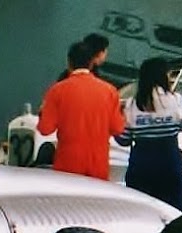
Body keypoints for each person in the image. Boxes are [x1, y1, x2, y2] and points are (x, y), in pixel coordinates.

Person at [36, 41, 124, 180]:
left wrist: (42, 113)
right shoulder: (110, 91)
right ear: (91, 63)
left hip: (68, 164)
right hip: (98, 164)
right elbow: (118, 128)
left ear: (69, 62)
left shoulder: (57, 90)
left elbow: (45, 129)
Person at [117, 57, 182, 208]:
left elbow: (123, 138)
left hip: (141, 163)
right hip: (170, 161)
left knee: (139, 208)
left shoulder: (132, 104)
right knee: (170, 208)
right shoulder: (176, 100)